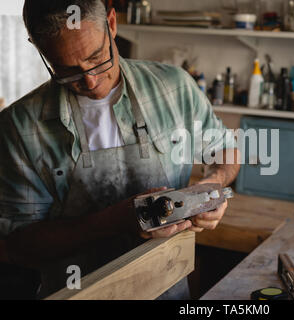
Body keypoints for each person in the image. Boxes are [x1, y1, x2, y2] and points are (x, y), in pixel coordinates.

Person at [0, 0, 240, 299]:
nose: (89, 79)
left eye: (97, 58)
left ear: (111, 24)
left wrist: (210, 188)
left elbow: (226, 150)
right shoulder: (19, 127)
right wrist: (116, 221)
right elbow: (18, 247)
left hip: (169, 288)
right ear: (38, 47)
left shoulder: (174, 87)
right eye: (66, 69)